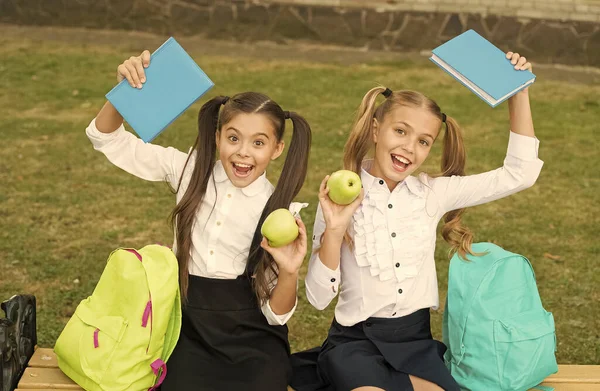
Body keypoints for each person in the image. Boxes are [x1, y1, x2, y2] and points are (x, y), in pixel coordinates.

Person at [292, 52, 542, 391]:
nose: (409, 148)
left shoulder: (432, 194)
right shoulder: (340, 196)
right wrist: (335, 231)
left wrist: (519, 93)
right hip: (354, 345)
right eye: (400, 131)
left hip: (415, 345)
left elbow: (520, 174)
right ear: (376, 129)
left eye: (423, 141)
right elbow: (318, 298)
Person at [86, 50, 312, 391]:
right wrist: (124, 95)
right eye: (233, 138)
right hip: (187, 326)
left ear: (277, 149)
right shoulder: (188, 170)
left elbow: (277, 315)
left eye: (259, 143)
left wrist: (291, 271)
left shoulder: (280, 210)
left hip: (251, 337)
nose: (243, 152)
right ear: (218, 136)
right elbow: (106, 138)